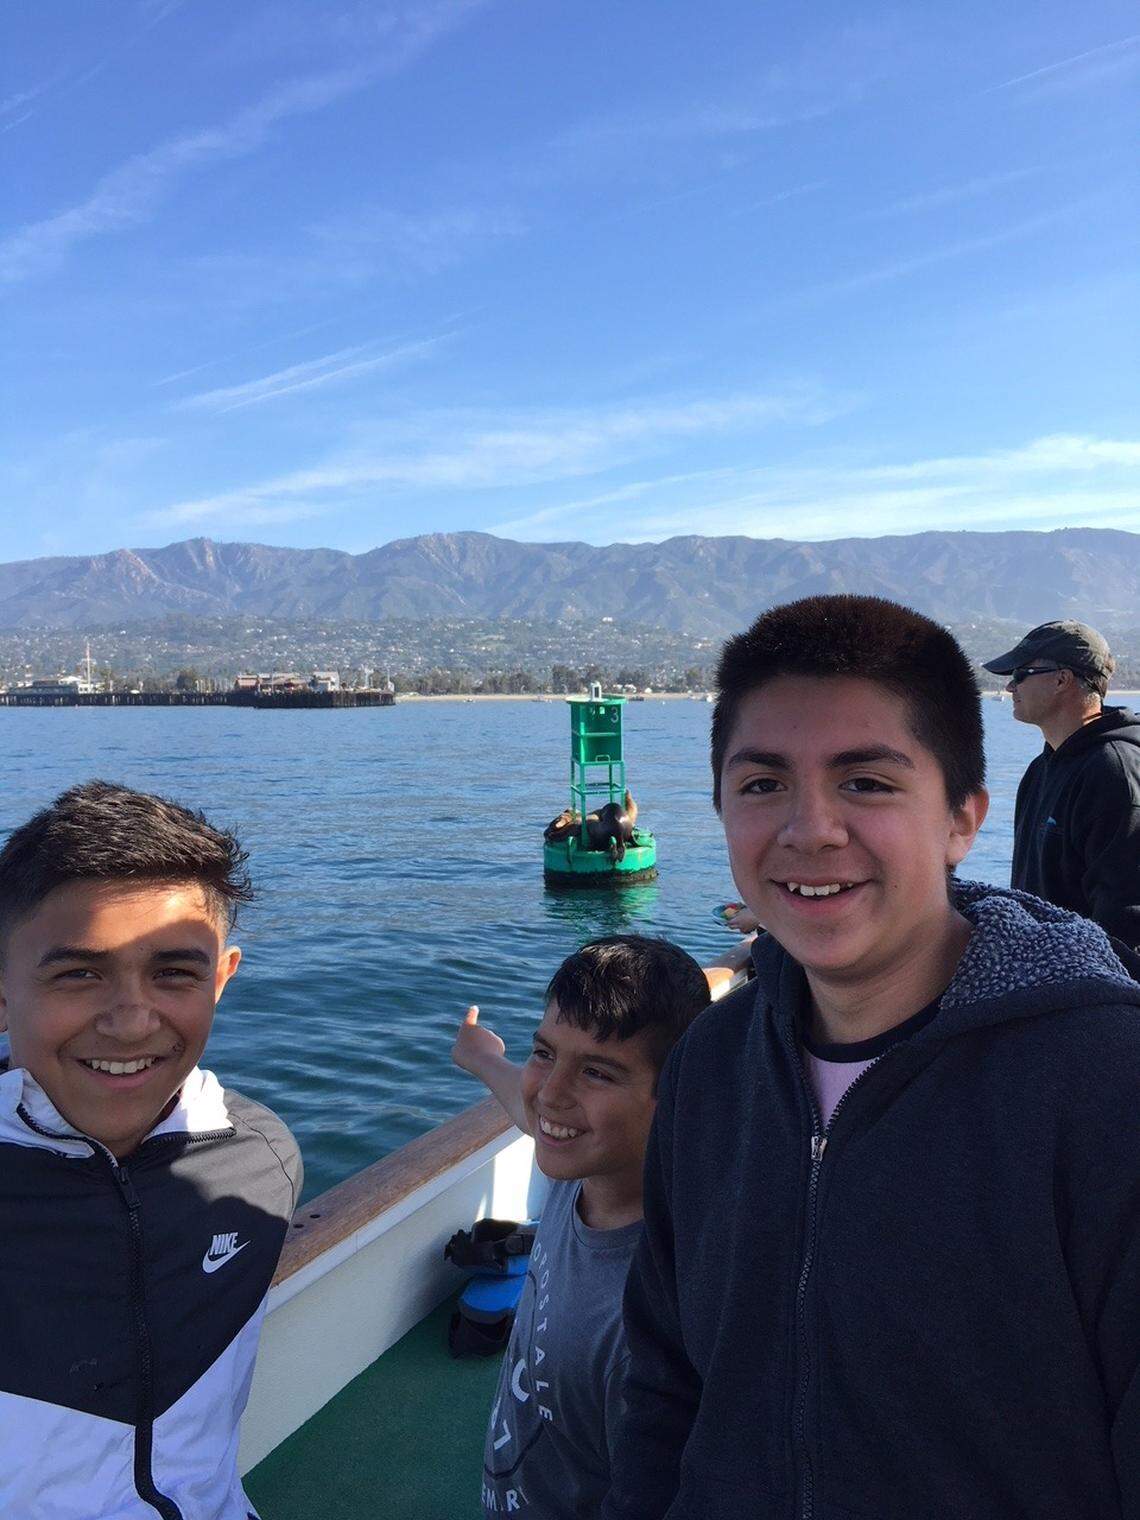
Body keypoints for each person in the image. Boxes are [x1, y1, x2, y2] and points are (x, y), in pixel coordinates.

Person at [601, 594, 1140, 1520]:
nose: (810, 829)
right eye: (763, 785)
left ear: (962, 820)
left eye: (868, 783)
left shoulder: (1107, 1089)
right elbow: (664, 1386)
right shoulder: (711, 1070)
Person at [0, 780, 302, 1520]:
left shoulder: (261, 1158)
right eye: (79, 973)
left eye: (174, 972)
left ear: (222, 979)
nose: (133, 1023)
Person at [451, 935, 711, 1519]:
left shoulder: (646, 1319)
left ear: (676, 1095)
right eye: (544, 1053)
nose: (552, 1094)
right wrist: (478, 1054)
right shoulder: (586, 1160)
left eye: (597, 1072)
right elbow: (529, 1105)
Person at [982, 618, 1140, 948]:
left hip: (1091, 987)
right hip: (1044, 981)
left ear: (1062, 680)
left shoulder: (1113, 771)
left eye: (1020, 674)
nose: (1010, 687)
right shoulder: (1040, 770)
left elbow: (1126, 914)